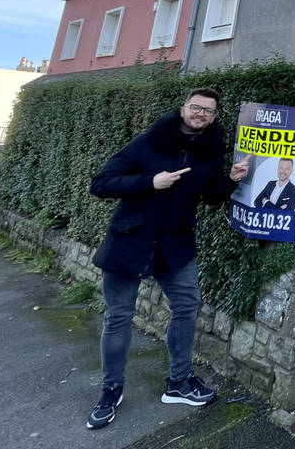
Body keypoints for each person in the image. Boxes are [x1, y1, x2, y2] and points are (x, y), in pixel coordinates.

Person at [85, 88, 248, 430]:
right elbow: (100, 183)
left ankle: (179, 382)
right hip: (130, 241)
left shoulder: (208, 152)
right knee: (118, 318)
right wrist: (149, 182)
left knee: (187, 307)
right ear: (183, 108)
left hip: (175, 245)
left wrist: (229, 181)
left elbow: (211, 197)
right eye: (196, 107)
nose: (201, 113)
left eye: (209, 111)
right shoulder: (148, 142)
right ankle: (110, 391)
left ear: (214, 117)